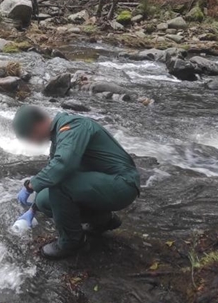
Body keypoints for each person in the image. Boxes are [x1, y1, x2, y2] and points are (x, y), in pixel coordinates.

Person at [12, 105, 141, 259]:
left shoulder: (72, 126)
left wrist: (30, 185)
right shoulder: (59, 136)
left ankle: (72, 243)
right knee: (44, 200)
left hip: (123, 184)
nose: (32, 141)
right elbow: (53, 171)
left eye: (30, 135)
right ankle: (103, 220)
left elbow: (62, 166)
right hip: (103, 184)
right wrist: (33, 209)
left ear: (40, 124)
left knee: (60, 185)